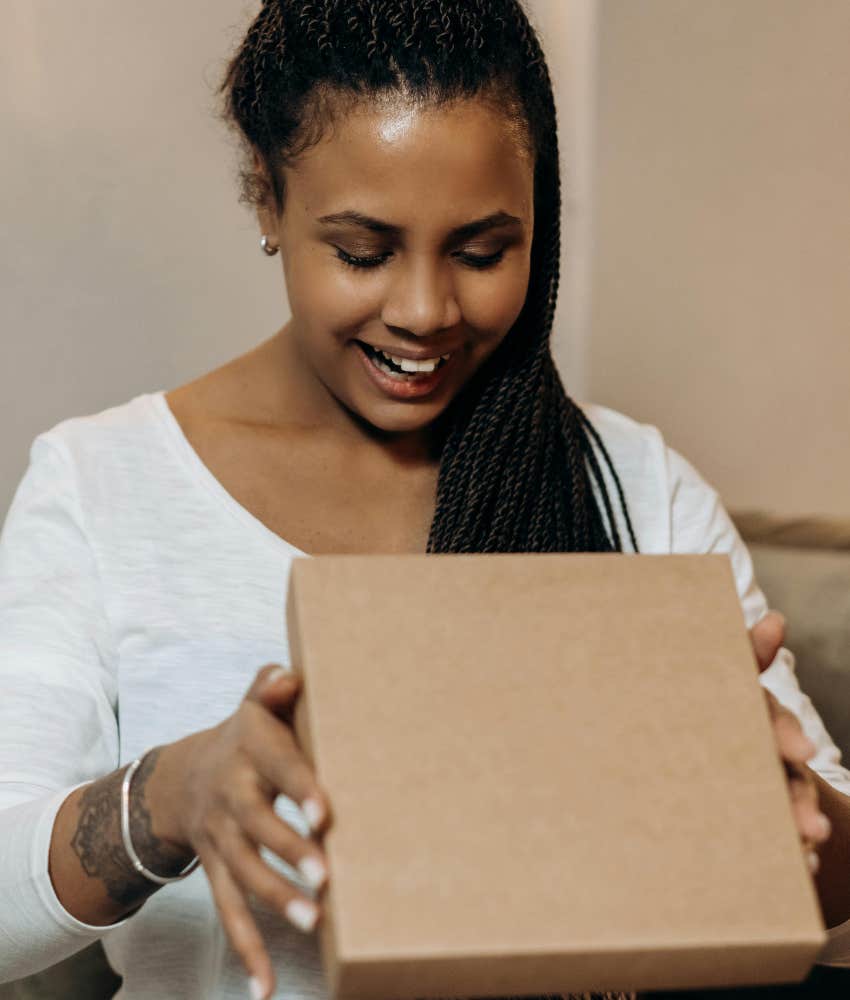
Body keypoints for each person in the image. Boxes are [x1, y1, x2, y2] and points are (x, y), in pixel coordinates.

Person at [0, 2, 848, 998]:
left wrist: (767, 805)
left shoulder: (634, 484)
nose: (424, 311)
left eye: (484, 251)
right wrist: (168, 797)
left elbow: (831, 871)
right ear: (265, 198)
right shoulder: (104, 483)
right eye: (363, 250)